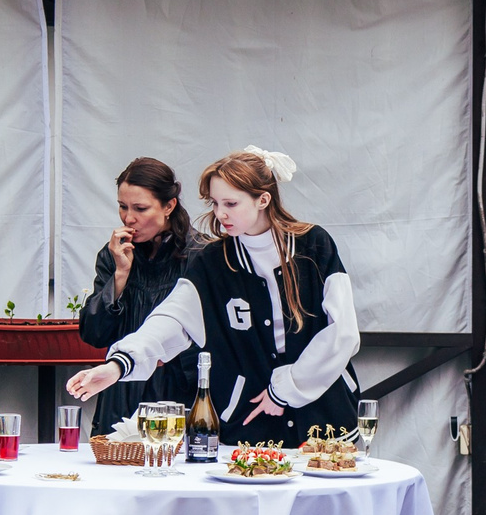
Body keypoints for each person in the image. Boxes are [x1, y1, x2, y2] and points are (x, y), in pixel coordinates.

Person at [67, 148, 362, 444]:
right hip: (250, 423)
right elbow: (172, 320)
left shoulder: (313, 246)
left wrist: (286, 388)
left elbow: (342, 332)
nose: (220, 214)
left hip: (325, 419)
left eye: (231, 203)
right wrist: (117, 365)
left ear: (263, 200)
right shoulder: (214, 261)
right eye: (215, 203)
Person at [75, 157, 209, 436]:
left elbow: (208, 339)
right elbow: (94, 334)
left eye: (140, 208)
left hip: (176, 395)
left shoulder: (201, 256)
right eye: (122, 207)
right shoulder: (114, 254)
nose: (128, 218)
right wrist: (120, 275)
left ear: (169, 206)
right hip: (119, 391)